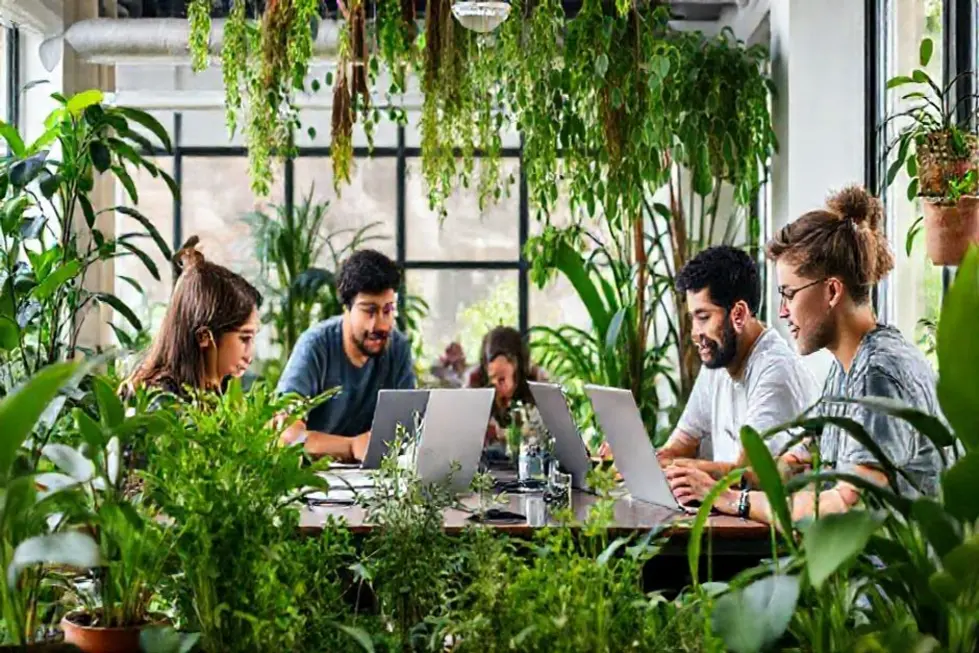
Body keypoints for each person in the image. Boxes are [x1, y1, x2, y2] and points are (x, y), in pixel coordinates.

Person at [667, 186, 945, 523]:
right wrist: (714, 480)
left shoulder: (879, 373)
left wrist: (733, 500)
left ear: (831, 291)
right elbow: (800, 464)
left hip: (890, 575)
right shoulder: (847, 370)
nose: (783, 312)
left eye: (789, 294)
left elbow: (846, 504)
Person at [600, 245, 819, 478]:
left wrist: (654, 467)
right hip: (726, 512)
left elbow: (745, 474)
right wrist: (636, 459)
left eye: (703, 317)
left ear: (739, 314)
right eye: (693, 318)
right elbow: (680, 445)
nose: (695, 333)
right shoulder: (719, 361)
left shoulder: (775, 370)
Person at [276, 249, 415, 462]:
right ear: (346, 308)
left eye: (387, 310)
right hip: (313, 481)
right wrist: (351, 447)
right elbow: (286, 435)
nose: (379, 324)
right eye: (369, 311)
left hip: (374, 483)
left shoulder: (398, 348)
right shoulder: (315, 346)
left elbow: (409, 428)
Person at [121, 240, 262, 398]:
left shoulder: (211, 391)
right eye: (245, 338)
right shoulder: (163, 401)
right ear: (204, 337)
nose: (250, 355)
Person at [465, 326, 548, 448]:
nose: (497, 385)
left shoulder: (537, 383)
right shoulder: (475, 384)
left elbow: (546, 434)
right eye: (492, 378)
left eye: (502, 379)